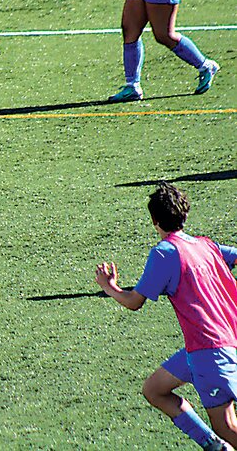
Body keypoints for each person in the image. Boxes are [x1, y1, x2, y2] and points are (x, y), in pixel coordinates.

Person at [96, 182, 237, 450]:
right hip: (209, 346)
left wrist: (109, 287)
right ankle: (214, 446)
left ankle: (219, 441)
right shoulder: (206, 246)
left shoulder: (165, 252)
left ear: (154, 220)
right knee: (154, 389)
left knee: (226, 426)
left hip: (210, 350)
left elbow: (134, 301)